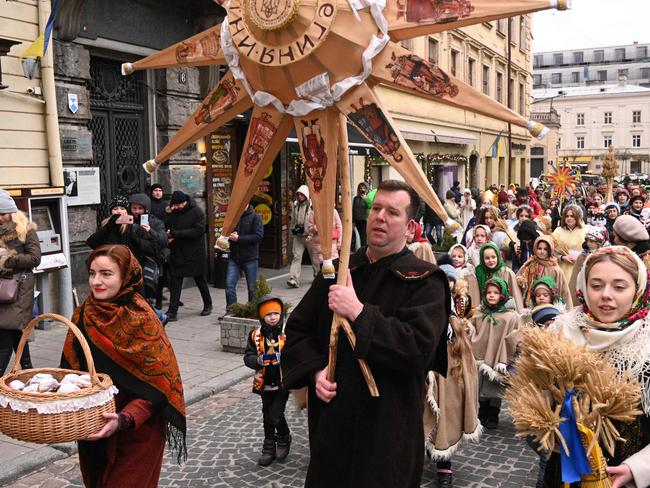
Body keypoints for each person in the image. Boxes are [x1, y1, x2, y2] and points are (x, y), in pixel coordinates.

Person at [282, 179, 450, 487]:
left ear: (410, 226)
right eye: (375, 208)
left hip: (388, 435)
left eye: (392, 212)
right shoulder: (339, 271)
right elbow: (297, 331)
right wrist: (315, 372)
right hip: (333, 430)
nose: (380, 217)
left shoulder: (426, 281)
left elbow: (417, 350)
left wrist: (359, 312)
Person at [61, 244, 186, 487]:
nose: (96, 281)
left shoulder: (143, 319)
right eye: (92, 273)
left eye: (106, 274)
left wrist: (124, 418)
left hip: (137, 430)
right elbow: (69, 373)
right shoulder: (82, 314)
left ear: (126, 276)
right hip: (94, 429)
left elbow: (159, 385)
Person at [542, 246, 650, 487]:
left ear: (638, 289)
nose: (606, 295)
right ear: (583, 286)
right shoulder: (560, 332)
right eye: (596, 285)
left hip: (624, 472)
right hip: (566, 470)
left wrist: (637, 468)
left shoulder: (646, 343)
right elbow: (533, 399)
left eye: (620, 287)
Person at [424, 267, 480, 488]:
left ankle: (443, 465)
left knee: (445, 419)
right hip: (422, 380)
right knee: (421, 418)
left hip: (447, 380)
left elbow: (466, 360)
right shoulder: (420, 320)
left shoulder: (454, 326)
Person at [243, 295, 292, 466]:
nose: (272, 317)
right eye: (268, 314)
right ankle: (269, 446)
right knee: (267, 415)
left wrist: (284, 358)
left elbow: (296, 355)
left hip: (282, 383)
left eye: (275, 314)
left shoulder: (288, 334)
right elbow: (247, 357)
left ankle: (284, 437)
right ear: (262, 317)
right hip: (264, 383)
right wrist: (258, 360)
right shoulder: (255, 335)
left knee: (276, 414)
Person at [470, 277, 520, 429]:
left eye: (496, 292)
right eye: (488, 293)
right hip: (482, 355)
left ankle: (493, 413)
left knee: (495, 387)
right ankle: (482, 411)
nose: (491, 295)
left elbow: (515, 336)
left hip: (499, 357)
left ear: (502, 295)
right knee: (481, 386)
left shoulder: (510, 316)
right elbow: (473, 330)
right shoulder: (480, 313)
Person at [0, 190, 40, 374]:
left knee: (6, 332)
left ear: (11, 212)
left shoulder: (26, 229)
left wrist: (7, 259)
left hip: (19, 287)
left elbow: (35, 258)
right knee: (16, 330)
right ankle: (28, 369)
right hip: (3, 287)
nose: (0, 218)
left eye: (2, 214)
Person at [166, 191, 213, 321]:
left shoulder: (197, 212)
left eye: (179, 205)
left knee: (200, 280)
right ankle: (172, 311)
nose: (177, 207)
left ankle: (208, 304)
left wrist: (178, 233)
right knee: (176, 281)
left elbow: (199, 230)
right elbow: (168, 226)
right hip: (178, 252)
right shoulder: (174, 213)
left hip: (195, 253)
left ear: (185, 202)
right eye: (174, 205)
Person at [86, 195, 159, 273]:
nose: (119, 211)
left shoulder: (134, 228)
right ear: (111, 211)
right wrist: (108, 227)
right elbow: (91, 243)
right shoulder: (105, 226)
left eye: (122, 208)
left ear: (126, 211)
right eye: (115, 209)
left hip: (130, 271)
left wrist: (136, 240)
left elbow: (153, 248)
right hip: (109, 270)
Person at [128, 193, 167, 302]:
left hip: (148, 261)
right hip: (130, 261)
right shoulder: (127, 220)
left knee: (145, 293)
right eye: (134, 208)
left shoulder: (155, 222)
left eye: (140, 208)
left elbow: (163, 241)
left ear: (146, 209)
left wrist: (150, 230)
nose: (136, 211)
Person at [225, 202, 264, 309]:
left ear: (247, 204)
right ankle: (231, 310)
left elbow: (258, 236)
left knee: (252, 288)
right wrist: (229, 236)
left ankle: (252, 310)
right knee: (229, 285)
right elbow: (227, 232)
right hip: (234, 257)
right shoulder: (233, 217)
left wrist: (239, 238)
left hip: (250, 257)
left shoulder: (255, 217)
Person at [516, 236, 572, 309]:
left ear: (550, 251)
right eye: (539, 248)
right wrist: (521, 281)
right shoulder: (530, 264)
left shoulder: (555, 269)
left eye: (545, 249)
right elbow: (517, 280)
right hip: (530, 305)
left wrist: (567, 310)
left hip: (549, 307)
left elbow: (564, 291)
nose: (542, 251)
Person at [470, 243, 524, 311]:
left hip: (504, 310)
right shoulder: (478, 272)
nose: (490, 260)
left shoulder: (506, 272)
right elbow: (476, 295)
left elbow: (516, 295)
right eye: (487, 258)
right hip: (485, 309)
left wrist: (519, 315)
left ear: (498, 257)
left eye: (493, 257)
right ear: (482, 259)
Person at [552, 205, 587, 281]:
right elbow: (551, 249)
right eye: (566, 216)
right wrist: (561, 257)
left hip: (580, 267)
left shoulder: (586, 230)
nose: (569, 218)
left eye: (572, 216)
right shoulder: (558, 231)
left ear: (578, 217)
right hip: (562, 267)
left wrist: (580, 258)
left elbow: (592, 251)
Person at [287, 185, 312, 288]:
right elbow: (292, 220)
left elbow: (316, 221)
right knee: (296, 257)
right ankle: (293, 279)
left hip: (310, 236)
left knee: (314, 259)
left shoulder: (312, 206)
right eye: (299, 194)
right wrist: (292, 231)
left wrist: (312, 234)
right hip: (298, 236)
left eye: (302, 194)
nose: (300, 196)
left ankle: (317, 276)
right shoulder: (296, 205)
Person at [305, 208, 342, 277]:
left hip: (332, 245)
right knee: (320, 272)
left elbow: (339, 227)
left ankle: (329, 284)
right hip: (318, 246)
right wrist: (316, 227)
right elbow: (309, 228)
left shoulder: (333, 211)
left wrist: (339, 242)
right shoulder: (314, 212)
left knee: (332, 269)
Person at [352, 183, 368, 248]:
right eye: (360, 188)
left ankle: (364, 251)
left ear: (366, 189)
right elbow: (353, 209)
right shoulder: (356, 198)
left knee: (363, 238)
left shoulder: (368, 198)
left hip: (365, 220)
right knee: (356, 236)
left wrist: (365, 199)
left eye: (363, 188)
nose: (362, 189)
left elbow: (370, 207)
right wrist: (353, 222)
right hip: (357, 220)